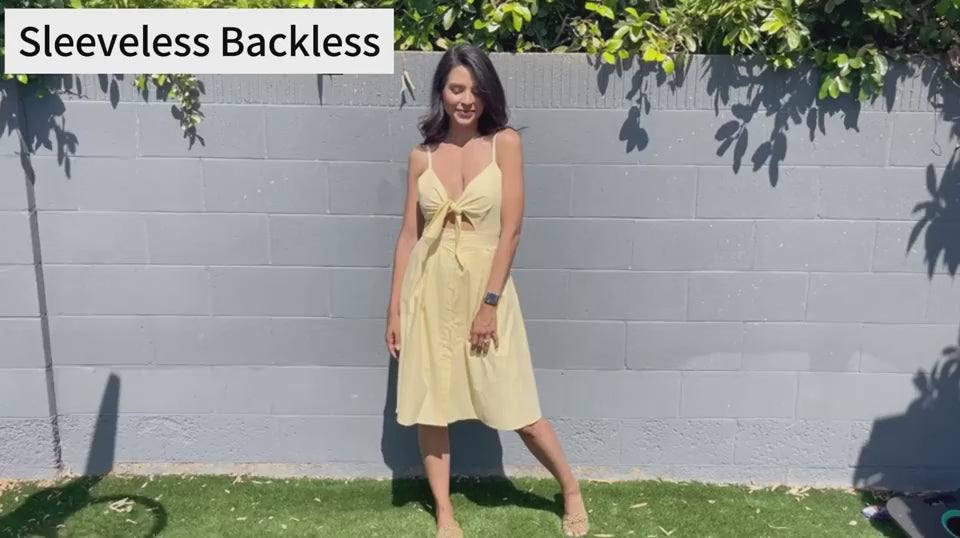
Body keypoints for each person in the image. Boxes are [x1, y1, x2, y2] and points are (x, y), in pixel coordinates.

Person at [384, 44, 590, 538]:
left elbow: (511, 231)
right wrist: (394, 310)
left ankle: (570, 489)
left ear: (488, 94)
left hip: (485, 290)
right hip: (429, 291)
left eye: (476, 90)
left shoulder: (505, 145)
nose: (466, 99)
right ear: (441, 92)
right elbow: (409, 237)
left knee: (517, 406)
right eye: (457, 88)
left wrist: (489, 303)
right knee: (431, 407)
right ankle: (445, 513)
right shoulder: (421, 157)